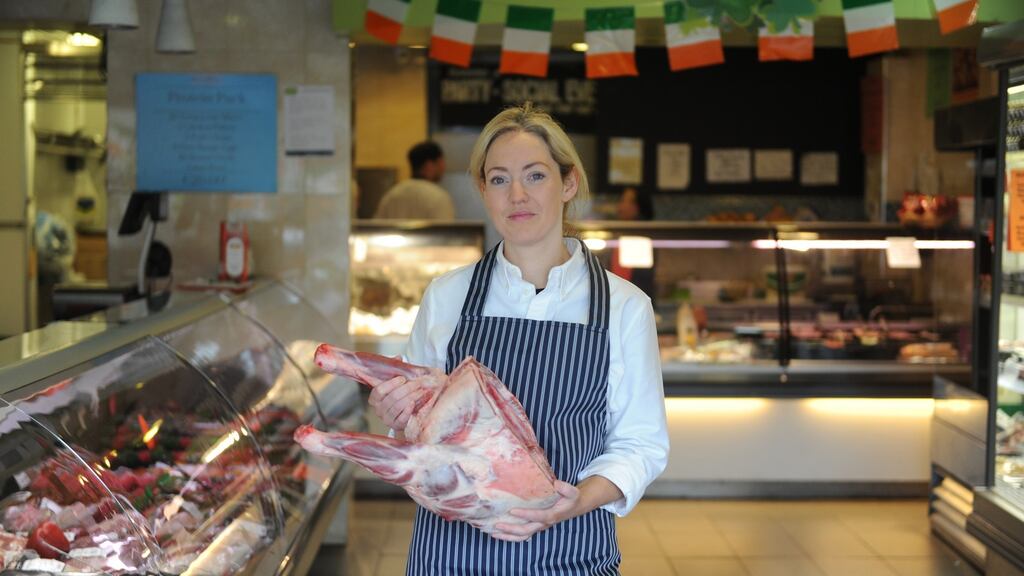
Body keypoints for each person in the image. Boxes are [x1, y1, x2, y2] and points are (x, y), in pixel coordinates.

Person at [368, 103, 669, 574]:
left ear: (568, 183)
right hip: (450, 555)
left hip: (570, 550)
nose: (517, 196)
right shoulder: (447, 295)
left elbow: (642, 444)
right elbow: (415, 436)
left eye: (535, 176)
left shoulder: (625, 306)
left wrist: (575, 502)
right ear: (484, 191)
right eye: (500, 179)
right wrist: (397, 413)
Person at [374, 140, 456, 220]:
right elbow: (444, 232)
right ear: (429, 165)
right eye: (441, 162)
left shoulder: (391, 195)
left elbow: (377, 230)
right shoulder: (439, 197)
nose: (444, 167)